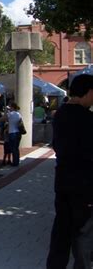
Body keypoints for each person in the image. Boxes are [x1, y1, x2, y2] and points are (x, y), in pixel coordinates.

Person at [46, 74, 93, 269]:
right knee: (83, 233)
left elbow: (57, 145)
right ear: (89, 92)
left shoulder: (61, 114)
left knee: (61, 230)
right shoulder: (88, 119)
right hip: (85, 183)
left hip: (63, 181)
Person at [0, 102, 23, 166]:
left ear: (12, 107)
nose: (9, 108)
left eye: (10, 107)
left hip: (12, 133)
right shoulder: (19, 114)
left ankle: (15, 163)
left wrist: (6, 112)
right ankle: (16, 161)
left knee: (13, 148)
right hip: (18, 133)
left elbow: (1, 119)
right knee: (16, 148)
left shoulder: (10, 114)